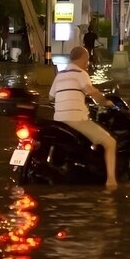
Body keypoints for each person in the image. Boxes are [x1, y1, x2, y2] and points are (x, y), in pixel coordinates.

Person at [49, 45, 117, 188]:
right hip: (75, 118)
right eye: (87, 59)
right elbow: (91, 92)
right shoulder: (81, 73)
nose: (88, 63)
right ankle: (111, 181)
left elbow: (51, 97)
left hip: (58, 119)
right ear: (83, 59)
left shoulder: (60, 75)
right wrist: (106, 102)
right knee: (110, 143)